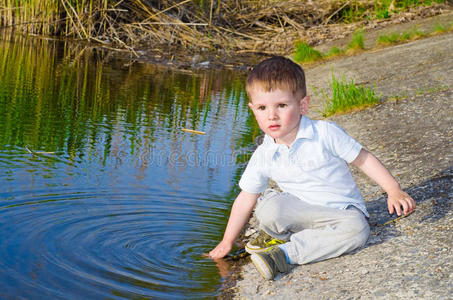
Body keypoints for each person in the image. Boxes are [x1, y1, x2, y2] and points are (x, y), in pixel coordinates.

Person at [208, 56, 415, 280]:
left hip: (338, 214)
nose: (271, 115)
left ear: (302, 105)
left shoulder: (324, 133)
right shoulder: (263, 154)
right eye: (262, 107)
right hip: (300, 213)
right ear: (253, 110)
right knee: (266, 208)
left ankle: (284, 254)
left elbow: (363, 158)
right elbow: (245, 197)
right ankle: (274, 235)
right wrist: (227, 240)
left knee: (357, 231)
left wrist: (393, 189)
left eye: (282, 105)